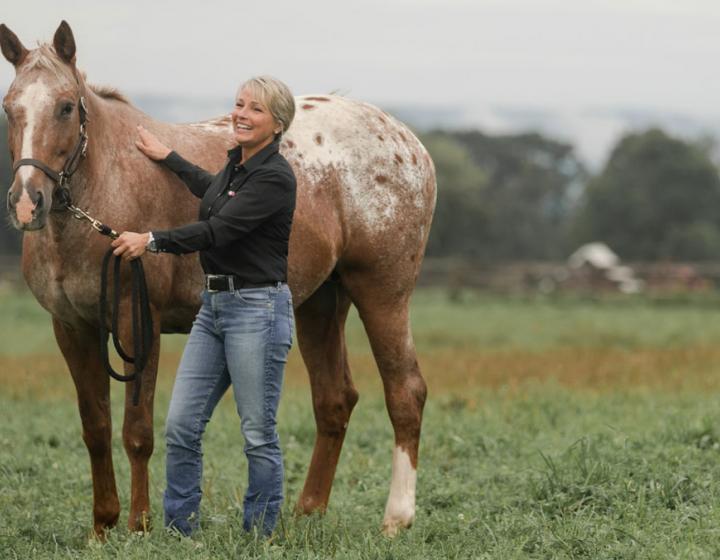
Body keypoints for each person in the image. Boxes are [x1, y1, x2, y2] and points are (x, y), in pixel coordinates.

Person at [111, 76, 297, 536]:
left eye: (255, 109)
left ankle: (259, 536)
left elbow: (219, 229)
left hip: (258, 311)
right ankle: (180, 531)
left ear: (276, 123)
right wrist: (168, 158)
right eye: (239, 104)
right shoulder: (236, 165)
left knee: (257, 434)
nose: (241, 114)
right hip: (213, 309)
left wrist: (150, 240)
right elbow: (211, 191)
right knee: (181, 427)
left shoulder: (275, 176)